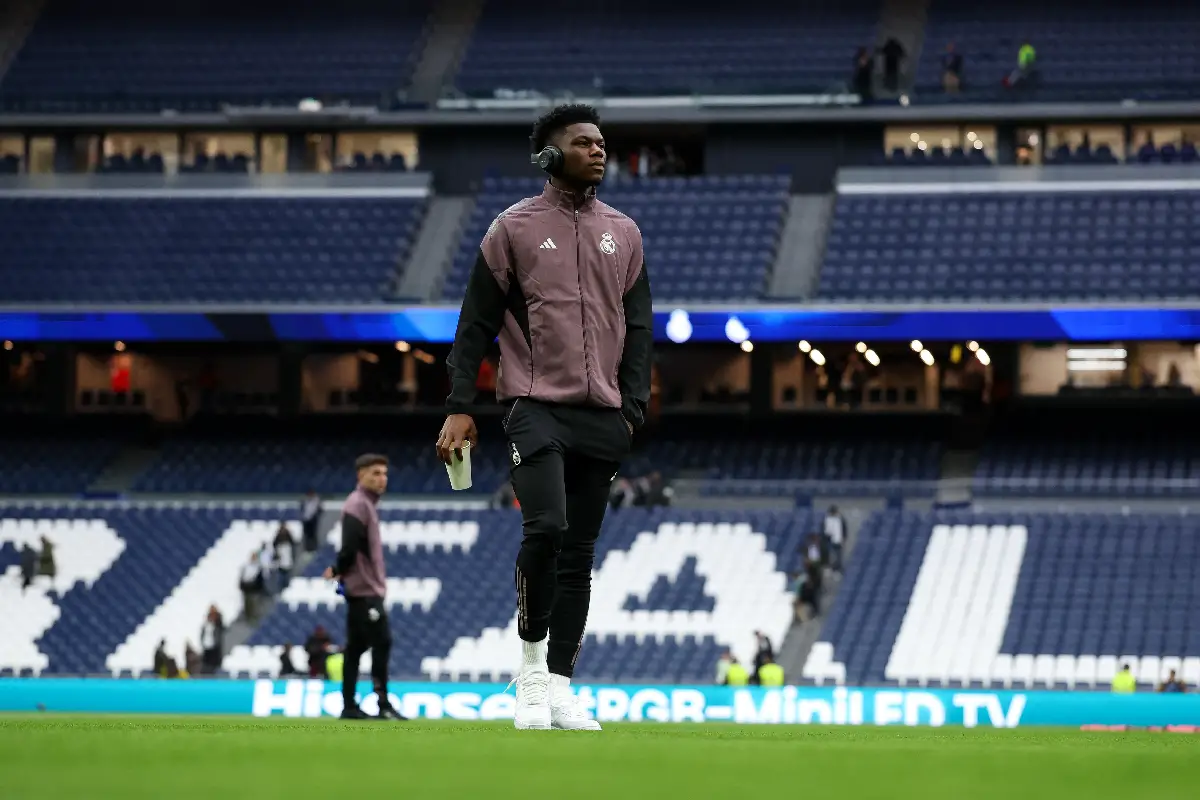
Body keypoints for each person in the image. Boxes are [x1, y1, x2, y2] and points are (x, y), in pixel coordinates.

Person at [436, 103, 653, 731]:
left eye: (602, 142)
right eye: (584, 143)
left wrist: (631, 408)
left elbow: (640, 328)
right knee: (547, 528)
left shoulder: (626, 233)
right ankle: (530, 675)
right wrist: (460, 406)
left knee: (579, 554)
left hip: (604, 416)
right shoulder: (512, 229)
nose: (598, 151)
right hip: (533, 407)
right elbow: (474, 324)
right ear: (549, 155)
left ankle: (561, 687)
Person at [322, 454, 406, 721]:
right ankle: (382, 704)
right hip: (365, 591)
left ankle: (349, 705)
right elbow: (350, 547)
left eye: (384, 473)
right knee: (382, 642)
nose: (382, 479)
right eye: (375, 473)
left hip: (363, 590)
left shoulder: (365, 504)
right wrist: (337, 569)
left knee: (356, 648)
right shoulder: (358, 504)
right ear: (360, 476)